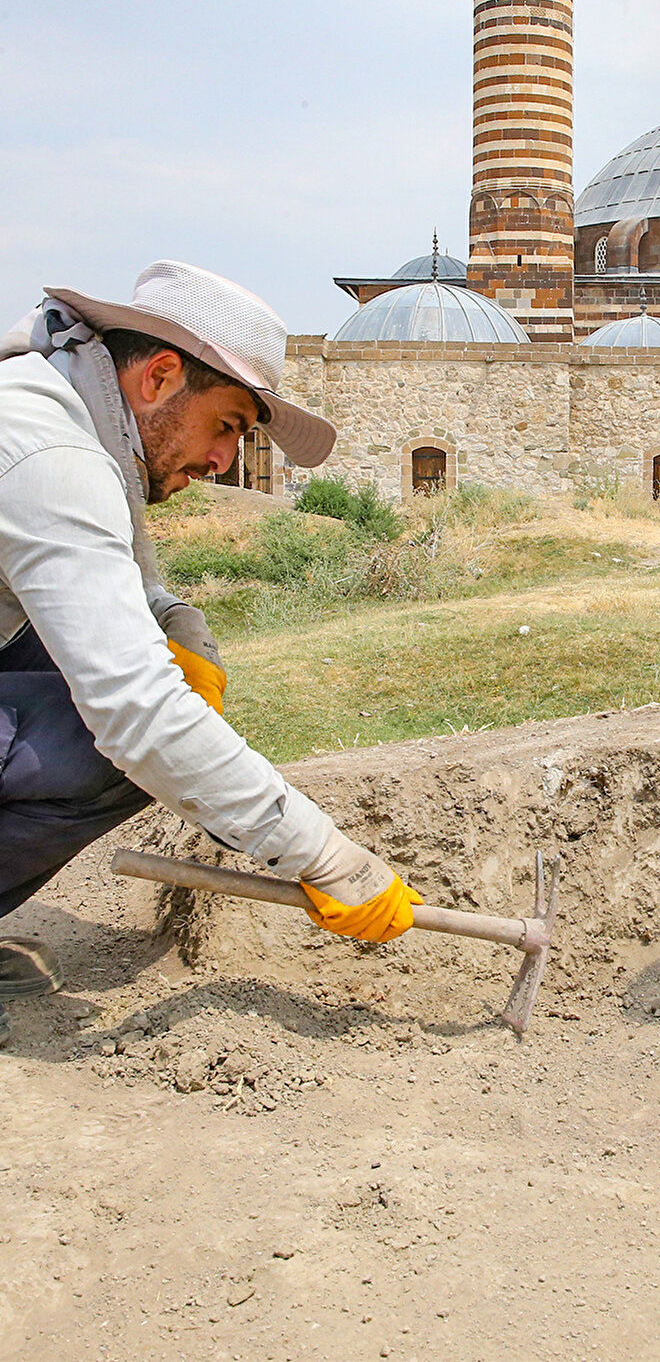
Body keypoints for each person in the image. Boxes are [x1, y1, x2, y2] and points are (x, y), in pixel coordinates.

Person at [0, 260, 423, 1046]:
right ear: (159, 377)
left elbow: (124, 576)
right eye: (227, 424)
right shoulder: (49, 455)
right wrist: (325, 856)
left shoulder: (70, 408)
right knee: (114, 744)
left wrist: (178, 625)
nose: (227, 461)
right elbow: (139, 713)